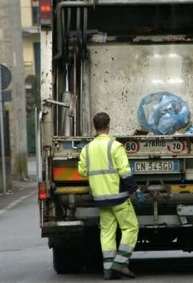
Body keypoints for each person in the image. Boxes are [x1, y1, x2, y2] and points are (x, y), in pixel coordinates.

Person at [78, 112, 145, 280]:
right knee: (130, 227)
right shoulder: (115, 146)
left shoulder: (87, 148)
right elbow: (125, 172)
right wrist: (136, 190)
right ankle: (121, 263)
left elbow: (82, 171)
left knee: (107, 232)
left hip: (100, 198)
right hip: (118, 196)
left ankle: (108, 269)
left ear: (95, 126)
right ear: (108, 125)